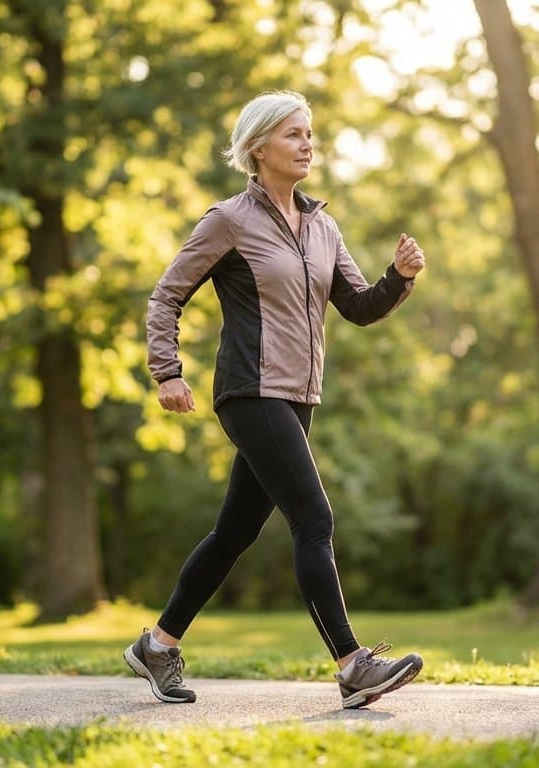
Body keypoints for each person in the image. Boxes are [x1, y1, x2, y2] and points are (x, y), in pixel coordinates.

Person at [124, 90, 428, 710]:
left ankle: (157, 644)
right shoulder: (229, 220)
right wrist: (167, 372)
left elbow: (358, 307)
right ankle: (352, 665)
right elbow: (165, 296)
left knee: (233, 533)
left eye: (309, 133)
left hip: (298, 396)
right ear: (258, 147)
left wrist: (399, 277)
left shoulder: (323, 227)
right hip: (249, 390)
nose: (307, 144)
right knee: (314, 519)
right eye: (293, 134)